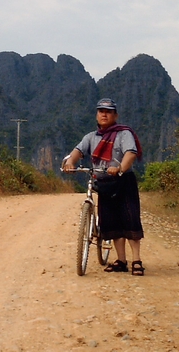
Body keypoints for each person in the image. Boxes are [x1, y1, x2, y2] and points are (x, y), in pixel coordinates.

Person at [63, 98, 145, 276]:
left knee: (130, 220)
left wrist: (120, 168)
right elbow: (78, 151)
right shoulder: (91, 137)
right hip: (104, 183)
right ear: (97, 115)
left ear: (115, 115)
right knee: (112, 222)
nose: (104, 114)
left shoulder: (124, 134)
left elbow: (130, 153)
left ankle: (137, 260)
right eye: (101, 111)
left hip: (123, 181)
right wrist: (70, 162)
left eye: (108, 112)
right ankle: (121, 261)